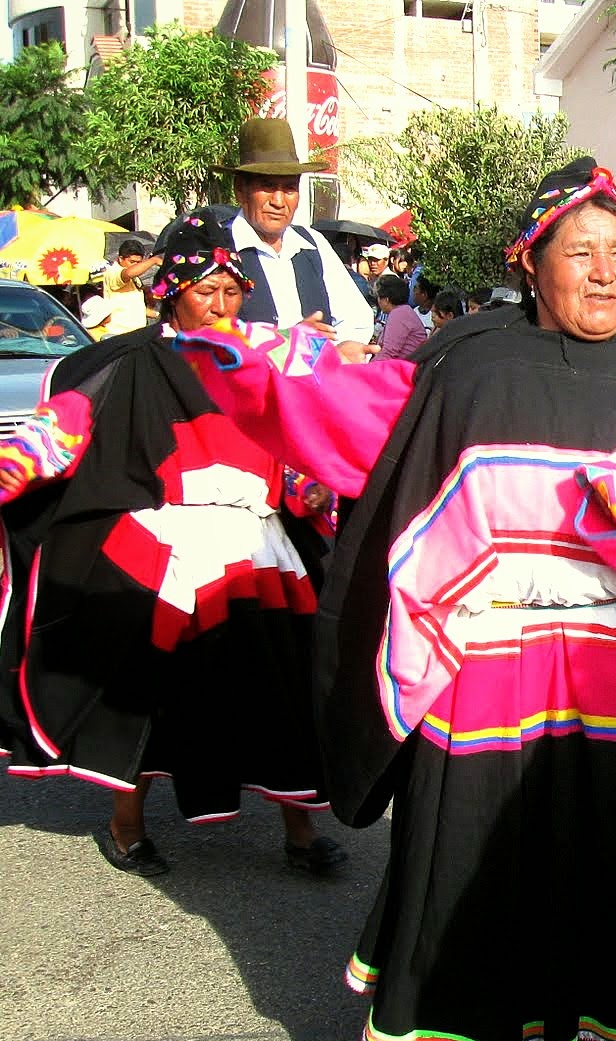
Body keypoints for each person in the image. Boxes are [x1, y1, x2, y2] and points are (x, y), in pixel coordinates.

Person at [174, 158, 616, 1041]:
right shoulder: (464, 362)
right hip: (491, 663)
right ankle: (515, 1036)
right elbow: (355, 427)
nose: (605, 272)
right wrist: (263, 379)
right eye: (578, 251)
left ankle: (614, 1022)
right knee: (502, 848)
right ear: (529, 262)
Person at [0, 211, 340, 877]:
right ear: (170, 293)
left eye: (231, 290)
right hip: (166, 552)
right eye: (204, 290)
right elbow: (53, 435)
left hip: (260, 551)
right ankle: (127, 830)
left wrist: (303, 488)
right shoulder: (129, 363)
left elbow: (286, 444)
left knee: (285, 692)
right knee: (148, 698)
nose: (219, 304)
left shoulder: (263, 361)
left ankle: (300, 834)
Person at [224, 118, 372, 358]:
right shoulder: (217, 249)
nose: (279, 201)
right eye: (268, 186)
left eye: (290, 188)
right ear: (240, 190)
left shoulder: (312, 245)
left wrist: (342, 350)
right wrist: (287, 344)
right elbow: (205, 337)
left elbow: (356, 317)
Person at [100, 239, 161, 338]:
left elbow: (133, 307)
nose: (136, 265)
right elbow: (128, 273)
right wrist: (153, 260)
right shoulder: (114, 272)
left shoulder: (134, 279)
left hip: (136, 334)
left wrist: (158, 314)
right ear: (120, 259)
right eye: (132, 262)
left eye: (139, 262)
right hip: (119, 334)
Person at [366, 274, 427, 361]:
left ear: (386, 300)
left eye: (379, 297)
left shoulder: (399, 314)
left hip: (404, 369)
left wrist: (366, 370)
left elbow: (388, 353)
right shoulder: (403, 312)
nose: (378, 301)